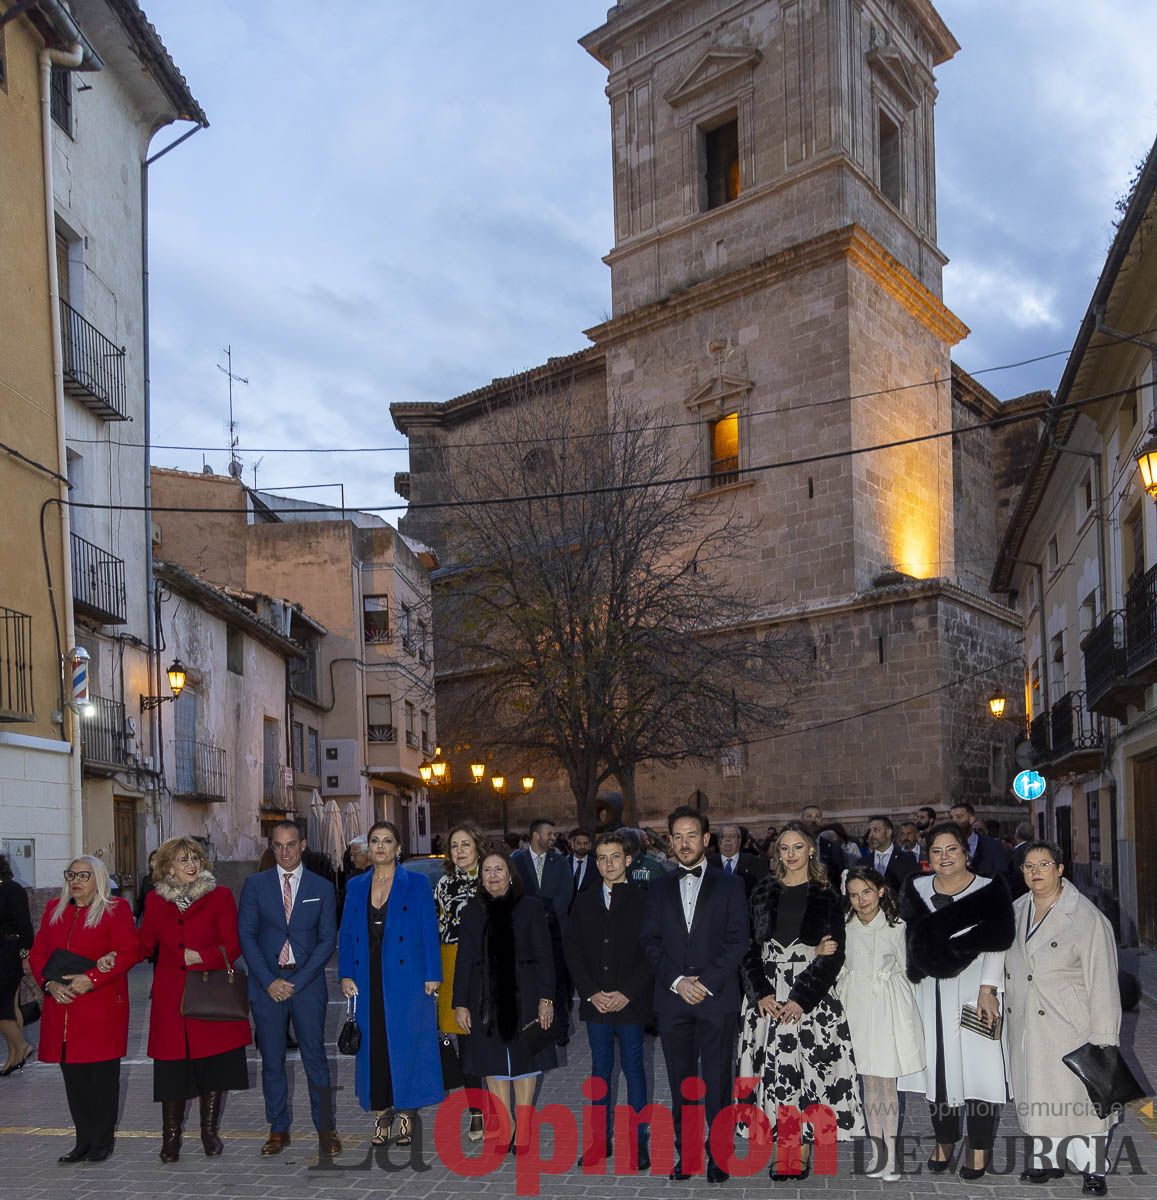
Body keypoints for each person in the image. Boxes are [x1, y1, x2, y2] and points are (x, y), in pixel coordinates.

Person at [738, 821, 864, 1180]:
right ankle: (782, 1147)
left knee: (808, 1073)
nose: (790, 855)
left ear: (811, 849)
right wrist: (759, 992)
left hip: (810, 996)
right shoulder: (762, 891)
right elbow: (748, 947)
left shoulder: (826, 893)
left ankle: (803, 1145)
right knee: (775, 1074)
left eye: (797, 847)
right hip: (766, 996)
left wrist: (801, 999)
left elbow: (833, 954)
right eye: (784, 848)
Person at [899, 822, 1014, 1180]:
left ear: (966, 852)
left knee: (980, 1071)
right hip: (928, 994)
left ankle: (979, 1149)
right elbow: (904, 940)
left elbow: (998, 941)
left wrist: (988, 989)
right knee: (938, 1071)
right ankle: (945, 1140)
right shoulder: (915, 889)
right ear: (927, 857)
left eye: (952, 849)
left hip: (973, 991)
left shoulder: (989, 889)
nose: (944, 857)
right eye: (936, 851)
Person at [1005, 842, 1121, 1195]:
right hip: (1027, 1021)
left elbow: (1102, 979)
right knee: (1037, 1094)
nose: (1035, 872)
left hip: (1071, 1024)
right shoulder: (1015, 909)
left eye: (1043, 864)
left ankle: (1092, 1169)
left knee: (1081, 1098)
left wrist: (1105, 1037)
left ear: (1060, 869)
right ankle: (1047, 1160)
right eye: (1028, 866)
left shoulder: (1085, 917)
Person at [640, 806, 749, 1183]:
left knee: (718, 1081)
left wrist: (705, 982)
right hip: (672, 1002)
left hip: (717, 999)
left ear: (706, 839)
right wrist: (677, 982)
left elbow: (738, 940)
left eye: (692, 836)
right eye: (678, 837)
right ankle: (686, 1155)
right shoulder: (656, 888)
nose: (685, 843)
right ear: (669, 842)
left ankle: (719, 1154)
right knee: (681, 1081)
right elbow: (650, 941)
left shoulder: (731, 885)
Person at [139, 837, 252, 1163]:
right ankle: (170, 1138)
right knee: (172, 1069)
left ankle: (208, 1132)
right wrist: (108, 953)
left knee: (212, 1066)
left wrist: (201, 956)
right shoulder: (155, 901)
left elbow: (233, 944)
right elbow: (144, 944)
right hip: (171, 997)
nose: (190, 865)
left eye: (195, 859)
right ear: (167, 867)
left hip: (209, 991)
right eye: (182, 860)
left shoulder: (220, 896)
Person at [338, 820, 443, 1149]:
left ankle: (408, 1113)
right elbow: (345, 933)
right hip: (367, 977)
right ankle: (382, 1112)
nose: (380, 846)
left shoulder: (417, 883)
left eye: (387, 841)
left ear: (398, 848)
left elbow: (429, 930)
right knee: (375, 1046)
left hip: (409, 978)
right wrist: (344, 973)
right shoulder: (356, 886)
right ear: (368, 848)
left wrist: (432, 974)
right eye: (374, 841)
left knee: (408, 1044)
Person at [238, 821, 340, 1158]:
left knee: (316, 1060)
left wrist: (296, 981)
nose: (285, 852)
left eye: (291, 845)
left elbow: (327, 941)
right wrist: (269, 981)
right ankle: (278, 1128)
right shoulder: (254, 886)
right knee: (272, 1060)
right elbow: (247, 937)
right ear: (271, 846)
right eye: (278, 846)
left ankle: (326, 1128)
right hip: (267, 984)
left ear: (303, 845)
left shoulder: (322, 887)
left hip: (307, 984)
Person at [29, 855, 140, 1162]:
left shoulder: (116, 910)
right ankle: (83, 1140)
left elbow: (129, 952)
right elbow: (39, 954)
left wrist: (91, 978)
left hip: (100, 1008)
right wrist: (48, 985)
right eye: (71, 875)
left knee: (101, 1080)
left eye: (83, 875)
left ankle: (101, 1142)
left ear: (99, 879)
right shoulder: (55, 909)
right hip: (62, 1008)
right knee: (75, 1081)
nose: (75, 881)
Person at [453, 849, 557, 1153]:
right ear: (481, 877)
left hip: (524, 997)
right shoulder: (472, 912)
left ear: (510, 875)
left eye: (499, 869)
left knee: (524, 1060)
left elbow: (544, 958)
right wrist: (460, 1002)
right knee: (492, 1063)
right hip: (484, 1000)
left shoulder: (531, 908)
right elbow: (464, 960)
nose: (493, 876)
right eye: (487, 870)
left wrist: (546, 999)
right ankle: (506, 1122)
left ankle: (523, 1125)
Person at [564, 831, 654, 1169]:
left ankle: (639, 1141)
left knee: (634, 1070)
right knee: (600, 1072)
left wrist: (628, 992)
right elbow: (573, 951)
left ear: (628, 860)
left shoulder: (644, 900)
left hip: (629, 1002)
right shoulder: (584, 900)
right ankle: (600, 1142)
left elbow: (651, 952)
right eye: (601, 858)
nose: (608, 864)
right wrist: (590, 992)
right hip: (596, 1002)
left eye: (615, 857)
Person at [832, 866, 924, 1181]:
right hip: (855, 1005)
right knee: (867, 1084)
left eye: (867, 892)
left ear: (881, 891)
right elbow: (840, 966)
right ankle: (877, 1152)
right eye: (854, 895)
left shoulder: (897, 926)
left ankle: (893, 1155)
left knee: (886, 1083)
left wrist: (906, 1015)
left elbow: (907, 969)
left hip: (887, 1007)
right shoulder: (846, 926)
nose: (861, 900)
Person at [434, 821, 488, 1142]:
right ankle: (476, 1112)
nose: (460, 852)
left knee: (492, 1038)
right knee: (465, 1042)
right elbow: (436, 927)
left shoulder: (493, 876)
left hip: (489, 964)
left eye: (466, 845)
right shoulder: (442, 885)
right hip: (452, 962)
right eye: (455, 846)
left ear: (478, 846)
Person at [511, 819, 574, 1042]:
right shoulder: (516, 861)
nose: (553, 838)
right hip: (525, 932)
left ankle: (561, 1029)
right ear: (535, 836)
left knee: (557, 979)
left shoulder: (561, 862)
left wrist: (548, 913)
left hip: (555, 928)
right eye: (549, 834)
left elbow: (567, 892)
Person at [0, 854, 34, 1075]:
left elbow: (25, 926)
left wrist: (25, 955)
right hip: (5, 952)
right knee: (11, 1006)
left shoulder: (12, 889)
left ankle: (22, 1046)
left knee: (3, 1007)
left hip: (8, 952)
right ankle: (13, 1056)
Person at [948, 802, 1007, 876]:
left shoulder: (992, 846)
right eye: (951, 818)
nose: (954, 821)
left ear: (971, 819)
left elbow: (1001, 876)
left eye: (959, 817)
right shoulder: (947, 846)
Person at [864, 815, 920, 892]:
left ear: (888, 832)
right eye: (870, 831)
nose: (871, 835)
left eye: (876, 830)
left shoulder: (907, 859)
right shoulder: (863, 862)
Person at [711, 823, 769, 896]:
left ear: (739, 841)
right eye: (723, 836)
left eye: (732, 836)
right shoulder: (707, 864)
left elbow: (763, 895)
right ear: (718, 841)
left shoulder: (758, 864)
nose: (727, 839)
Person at [800, 804, 845, 875]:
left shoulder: (829, 840)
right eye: (809, 816)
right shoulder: (797, 841)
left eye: (817, 816)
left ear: (821, 820)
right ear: (802, 819)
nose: (813, 820)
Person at [1006, 822, 1034, 901]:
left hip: (1019, 895)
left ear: (1016, 835)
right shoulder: (1036, 849)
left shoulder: (1017, 852)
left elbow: (1016, 874)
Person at [568, 828, 598, 900]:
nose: (582, 846)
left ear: (590, 845)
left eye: (585, 843)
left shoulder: (597, 865)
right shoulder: (564, 864)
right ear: (573, 845)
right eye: (579, 843)